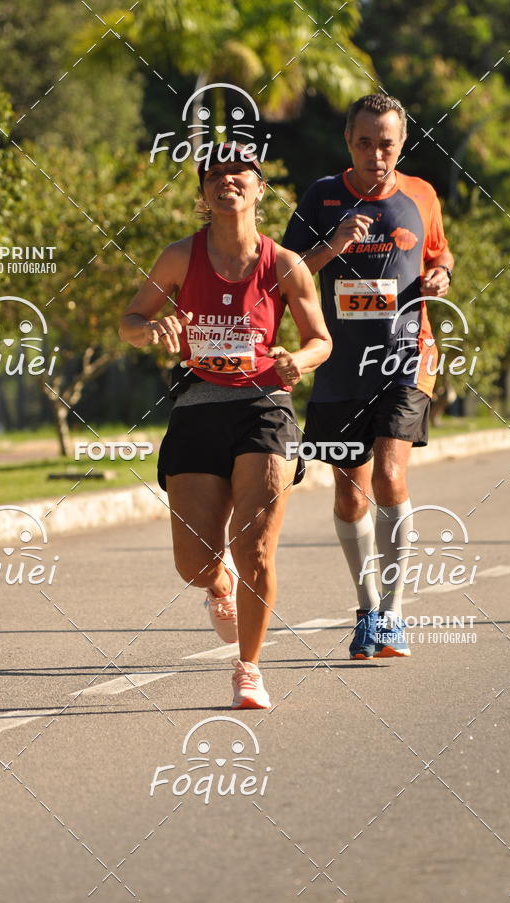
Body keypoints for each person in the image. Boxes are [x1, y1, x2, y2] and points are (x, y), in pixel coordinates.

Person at [120, 143, 331, 708]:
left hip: (266, 405)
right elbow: (130, 321)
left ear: (260, 189)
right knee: (195, 564)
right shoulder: (177, 257)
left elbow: (321, 340)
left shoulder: (284, 263)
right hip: (197, 407)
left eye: (240, 173)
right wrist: (153, 330)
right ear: (203, 194)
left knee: (256, 550)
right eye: (214, 175)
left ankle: (249, 669)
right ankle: (218, 586)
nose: (227, 181)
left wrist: (299, 361)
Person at [282, 93, 454, 659]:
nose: (376, 155)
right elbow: (284, 273)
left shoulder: (422, 195)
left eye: (387, 143)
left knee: (388, 474)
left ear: (402, 143)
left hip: (406, 359)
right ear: (348, 143)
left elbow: (439, 256)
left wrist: (439, 277)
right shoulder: (321, 197)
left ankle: (394, 614)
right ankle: (366, 608)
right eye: (365, 143)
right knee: (350, 489)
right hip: (338, 365)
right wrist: (333, 246)